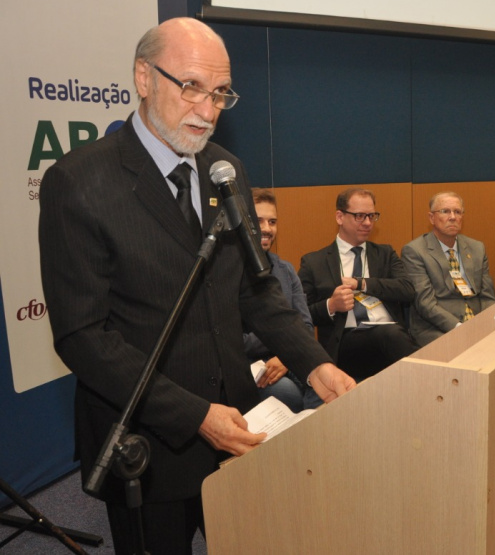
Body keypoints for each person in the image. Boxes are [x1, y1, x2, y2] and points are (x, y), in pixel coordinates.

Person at [38, 18, 355, 555]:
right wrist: (195, 416)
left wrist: (314, 363)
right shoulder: (79, 182)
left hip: (238, 424)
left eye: (220, 94)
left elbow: (255, 292)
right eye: (190, 87)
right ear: (143, 77)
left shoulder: (225, 169)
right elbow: (83, 337)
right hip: (147, 441)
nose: (207, 112)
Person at [298, 188, 418, 381]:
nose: (368, 223)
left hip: (391, 335)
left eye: (372, 216)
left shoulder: (385, 254)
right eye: (360, 216)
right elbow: (302, 314)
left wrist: (362, 283)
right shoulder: (314, 262)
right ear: (339, 217)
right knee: (391, 335)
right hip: (346, 341)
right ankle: (428, 381)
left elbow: (407, 290)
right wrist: (331, 305)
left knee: (391, 334)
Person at [244, 188, 324, 412]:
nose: (267, 229)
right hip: (248, 367)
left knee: (329, 386)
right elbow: (234, 339)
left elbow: (306, 327)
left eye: (272, 221)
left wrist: (286, 356)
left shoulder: (286, 270)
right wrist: (285, 342)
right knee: (286, 394)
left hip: (290, 359)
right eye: (258, 221)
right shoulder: (227, 272)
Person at [401, 192, 495, 346]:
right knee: (464, 347)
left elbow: (488, 297)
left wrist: (487, 322)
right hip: (435, 326)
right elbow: (425, 304)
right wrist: (460, 327)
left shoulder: (477, 248)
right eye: (445, 211)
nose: (452, 217)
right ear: (431, 218)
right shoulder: (415, 251)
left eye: (457, 212)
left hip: (477, 321)